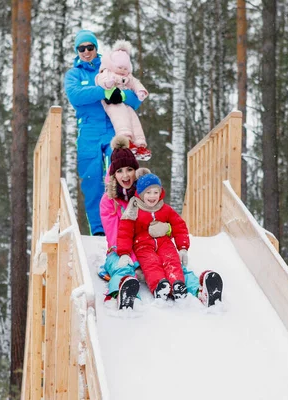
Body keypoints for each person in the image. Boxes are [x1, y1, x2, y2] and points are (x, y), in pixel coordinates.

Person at [99, 137, 222, 308]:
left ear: (136, 170)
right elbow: (115, 237)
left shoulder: (146, 193)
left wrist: (167, 230)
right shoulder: (109, 201)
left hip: (150, 246)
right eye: (119, 171)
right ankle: (124, 295)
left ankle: (202, 292)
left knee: (175, 266)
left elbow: (166, 219)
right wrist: (138, 259)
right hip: (122, 251)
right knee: (122, 269)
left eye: (129, 169)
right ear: (113, 174)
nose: (125, 175)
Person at [64, 29, 143, 236]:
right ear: (77, 51)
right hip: (88, 129)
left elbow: (135, 99)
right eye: (82, 48)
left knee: (120, 174)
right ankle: (98, 229)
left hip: (113, 127)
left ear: (96, 48)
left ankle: (124, 224)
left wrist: (121, 96)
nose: (86, 51)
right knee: (91, 180)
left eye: (90, 47)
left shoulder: (109, 65)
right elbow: (75, 96)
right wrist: (103, 92)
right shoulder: (75, 74)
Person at [116, 170, 223, 306]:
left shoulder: (165, 209)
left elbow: (179, 226)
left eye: (156, 192)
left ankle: (177, 284)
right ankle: (160, 286)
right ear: (141, 194)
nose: (152, 196)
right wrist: (124, 253)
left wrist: (183, 247)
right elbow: (125, 232)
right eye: (148, 192)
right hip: (142, 245)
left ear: (160, 192)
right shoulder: (134, 209)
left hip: (164, 242)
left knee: (172, 260)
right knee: (151, 263)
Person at [95, 40, 151, 161]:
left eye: (125, 68)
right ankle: (126, 139)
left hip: (126, 104)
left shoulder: (128, 77)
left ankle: (140, 144)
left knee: (133, 119)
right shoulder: (108, 72)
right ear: (112, 65)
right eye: (119, 67)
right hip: (113, 103)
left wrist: (140, 91)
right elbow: (100, 79)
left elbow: (135, 83)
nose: (122, 70)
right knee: (121, 118)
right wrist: (108, 83)